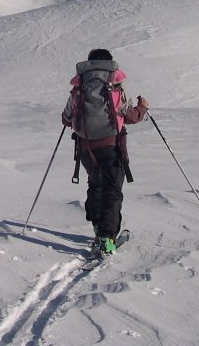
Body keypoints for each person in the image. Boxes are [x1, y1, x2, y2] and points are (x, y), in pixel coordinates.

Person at [62, 48, 148, 254]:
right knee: (112, 190)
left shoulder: (79, 85)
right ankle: (108, 239)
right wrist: (142, 107)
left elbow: (66, 118)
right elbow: (129, 116)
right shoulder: (115, 84)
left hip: (85, 147)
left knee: (95, 184)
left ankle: (98, 229)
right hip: (111, 144)